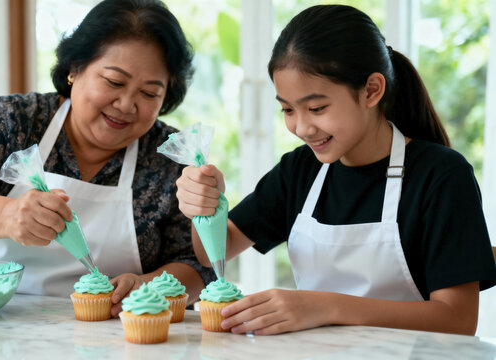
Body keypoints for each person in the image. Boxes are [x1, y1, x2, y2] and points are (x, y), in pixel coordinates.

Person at [176, 4, 496, 335]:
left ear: (372, 90)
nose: (301, 127)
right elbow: (213, 251)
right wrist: (205, 207)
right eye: (287, 109)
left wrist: (326, 306)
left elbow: (457, 320)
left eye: (317, 108)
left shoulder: (440, 175)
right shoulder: (300, 170)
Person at [0, 0, 214, 316]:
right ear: (75, 69)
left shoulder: (168, 156)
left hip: (116, 335)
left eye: (149, 94)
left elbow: (197, 264)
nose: (127, 104)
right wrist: (6, 215)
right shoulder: (16, 121)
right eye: (114, 81)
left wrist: (148, 286)